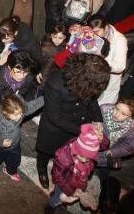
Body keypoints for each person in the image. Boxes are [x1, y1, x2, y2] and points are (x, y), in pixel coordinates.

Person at [36, 54, 110, 189]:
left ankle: (63, 170)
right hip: (57, 128)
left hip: (80, 123)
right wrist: (85, 131)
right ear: (85, 78)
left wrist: (98, 120)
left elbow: (92, 100)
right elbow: (55, 117)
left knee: (69, 154)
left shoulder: (88, 82)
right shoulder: (56, 83)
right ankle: (41, 168)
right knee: (46, 152)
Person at [44, 123, 107, 214]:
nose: (85, 160)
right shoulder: (63, 156)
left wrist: (101, 138)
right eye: (82, 157)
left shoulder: (90, 144)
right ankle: (50, 207)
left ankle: (57, 195)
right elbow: (57, 176)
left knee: (63, 194)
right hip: (65, 182)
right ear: (77, 149)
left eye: (89, 158)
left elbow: (104, 146)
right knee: (57, 198)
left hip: (79, 179)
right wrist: (71, 191)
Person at [0, 93, 44, 183]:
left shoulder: (19, 109)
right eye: (16, 115)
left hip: (15, 143)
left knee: (15, 161)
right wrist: (1, 142)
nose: (20, 116)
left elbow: (32, 106)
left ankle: (9, 170)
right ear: (6, 113)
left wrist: (46, 97)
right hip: (0, 147)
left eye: (21, 113)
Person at [0, 50, 38, 138]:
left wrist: (22, 107)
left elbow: (28, 92)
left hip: (13, 110)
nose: (22, 76)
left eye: (25, 72)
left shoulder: (28, 77)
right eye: (18, 72)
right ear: (9, 67)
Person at [88, 15, 128, 105]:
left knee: (101, 110)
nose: (94, 35)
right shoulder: (92, 35)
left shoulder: (119, 40)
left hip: (108, 83)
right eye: (92, 32)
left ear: (106, 28)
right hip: (91, 80)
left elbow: (120, 66)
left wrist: (100, 60)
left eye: (97, 31)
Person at [97, 99, 134, 171]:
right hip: (93, 143)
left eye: (123, 114)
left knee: (97, 164)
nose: (117, 115)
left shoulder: (131, 131)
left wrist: (112, 152)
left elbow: (129, 147)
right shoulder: (103, 111)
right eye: (117, 109)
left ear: (131, 117)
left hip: (108, 151)